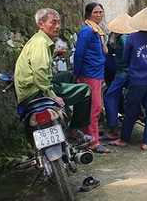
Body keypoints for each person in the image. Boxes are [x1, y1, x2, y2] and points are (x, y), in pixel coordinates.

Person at [14, 8, 93, 145]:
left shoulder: (40, 40)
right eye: (53, 22)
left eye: (59, 22)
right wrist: (52, 95)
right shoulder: (41, 44)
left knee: (67, 75)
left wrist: (56, 52)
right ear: (41, 24)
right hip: (36, 92)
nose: (57, 26)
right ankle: (74, 131)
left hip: (30, 89)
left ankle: (65, 115)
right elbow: (40, 74)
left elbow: (40, 61)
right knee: (85, 91)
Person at [110, 7, 147, 151]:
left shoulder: (132, 37)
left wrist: (137, 66)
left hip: (137, 80)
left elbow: (125, 58)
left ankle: (124, 140)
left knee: (131, 110)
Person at [73, 2, 110, 154]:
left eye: (101, 12)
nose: (99, 15)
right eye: (96, 12)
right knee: (93, 108)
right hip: (89, 74)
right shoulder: (87, 31)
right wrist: (76, 74)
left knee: (92, 107)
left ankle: (82, 135)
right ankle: (93, 142)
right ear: (88, 15)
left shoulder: (96, 30)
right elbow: (79, 54)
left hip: (96, 73)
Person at [103, 13, 137, 141]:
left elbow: (112, 53)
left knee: (109, 97)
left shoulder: (122, 38)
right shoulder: (133, 36)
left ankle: (113, 130)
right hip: (137, 73)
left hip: (124, 72)